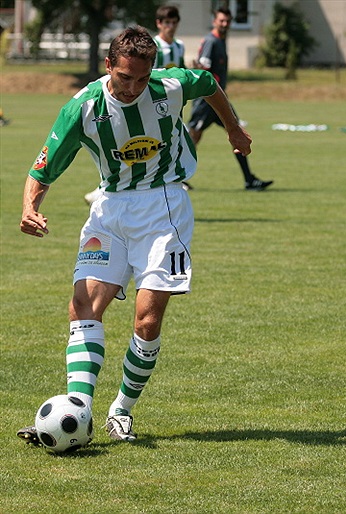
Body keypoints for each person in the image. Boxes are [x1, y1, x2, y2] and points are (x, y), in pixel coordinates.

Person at [16, 26, 252, 444]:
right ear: (109, 65)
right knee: (83, 308)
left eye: (142, 79)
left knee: (146, 319)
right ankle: (79, 412)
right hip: (109, 209)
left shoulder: (171, 86)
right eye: (125, 78)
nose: (133, 88)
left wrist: (232, 126)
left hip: (164, 207)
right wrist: (30, 206)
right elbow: (43, 167)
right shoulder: (83, 108)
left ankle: (121, 410)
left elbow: (210, 82)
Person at [84, 4, 187, 205]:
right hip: (142, 100)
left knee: (172, 139)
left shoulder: (179, 46)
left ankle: (170, 176)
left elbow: (180, 73)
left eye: (174, 23)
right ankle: (105, 189)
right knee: (130, 148)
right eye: (167, 22)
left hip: (167, 102)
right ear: (159, 23)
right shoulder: (149, 47)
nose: (171, 27)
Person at [189, 7, 272, 192]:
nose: (225, 24)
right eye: (221, 21)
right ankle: (176, 178)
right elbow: (203, 70)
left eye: (227, 21)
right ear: (214, 21)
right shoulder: (211, 41)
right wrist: (199, 69)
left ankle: (249, 180)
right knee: (192, 137)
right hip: (207, 100)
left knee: (237, 133)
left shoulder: (221, 40)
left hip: (219, 99)